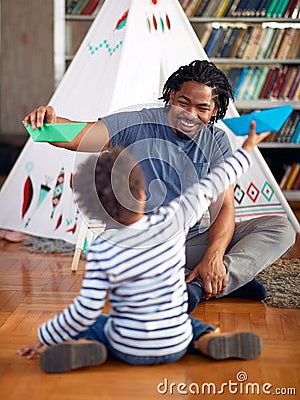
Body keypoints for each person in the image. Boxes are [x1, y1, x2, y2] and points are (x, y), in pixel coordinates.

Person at [23, 60, 295, 312]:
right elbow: (78, 135)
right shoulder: (136, 123)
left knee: (280, 228)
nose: (190, 114)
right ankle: (224, 280)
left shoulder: (217, 141)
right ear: (171, 96)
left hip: (186, 242)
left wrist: (213, 256)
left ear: (215, 111)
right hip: (139, 245)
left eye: (202, 109)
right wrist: (48, 123)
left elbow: (223, 206)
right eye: (183, 103)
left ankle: (200, 286)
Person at [19, 123, 266, 373]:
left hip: (129, 348)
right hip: (174, 343)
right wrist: (246, 149)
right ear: (142, 190)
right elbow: (212, 184)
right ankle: (208, 340)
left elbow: (84, 310)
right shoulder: (173, 219)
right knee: (186, 322)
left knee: (95, 322)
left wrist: (45, 336)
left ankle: (93, 347)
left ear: (96, 208)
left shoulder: (103, 249)